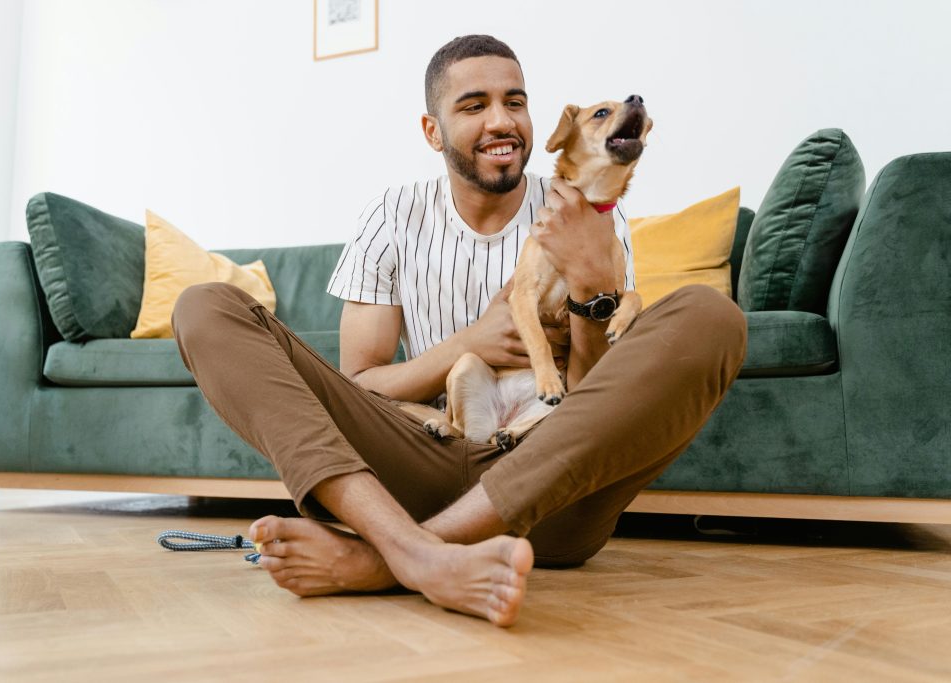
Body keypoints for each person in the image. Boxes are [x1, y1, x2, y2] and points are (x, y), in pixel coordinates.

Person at [171, 35, 746, 628]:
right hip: (425, 456)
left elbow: (593, 399)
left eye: (515, 102)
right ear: (432, 130)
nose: (501, 121)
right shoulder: (392, 215)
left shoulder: (590, 209)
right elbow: (363, 383)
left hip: (553, 489)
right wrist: (467, 345)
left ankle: (386, 558)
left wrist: (592, 295)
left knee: (710, 317)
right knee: (205, 307)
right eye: (474, 106)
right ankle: (419, 551)